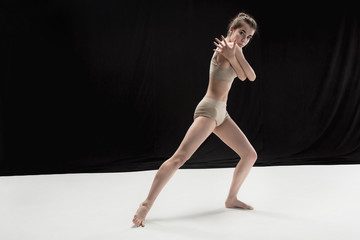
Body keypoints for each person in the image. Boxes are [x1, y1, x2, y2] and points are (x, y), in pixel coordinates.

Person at [133, 12, 258, 227]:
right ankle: (146, 204)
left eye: (249, 37)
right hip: (209, 110)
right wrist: (232, 55)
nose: (244, 39)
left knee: (249, 155)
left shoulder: (234, 50)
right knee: (179, 158)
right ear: (231, 30)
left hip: (222, 113)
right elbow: (244, 75)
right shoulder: (222, 51)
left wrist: (236, 53)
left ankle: (231, 198)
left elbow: (250, 76)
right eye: (241, 33)